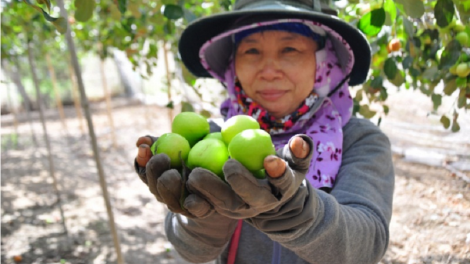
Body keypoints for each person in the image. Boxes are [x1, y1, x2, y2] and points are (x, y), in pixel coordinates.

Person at [134, 0, 395, 263]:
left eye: (290, 48)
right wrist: (206, 214)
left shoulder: (359, 140)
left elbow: (366, 245)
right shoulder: (211, 137)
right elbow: (191, 251)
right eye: (251, 51)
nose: (269, 71)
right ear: (232, 65)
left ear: (323, 61)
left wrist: (297, 212)